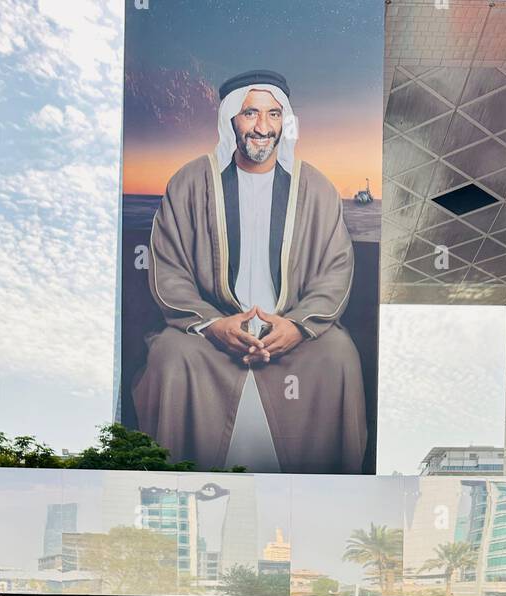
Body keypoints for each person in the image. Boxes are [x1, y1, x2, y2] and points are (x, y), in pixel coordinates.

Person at [133, 70, 366, 473]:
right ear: (231, 121)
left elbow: (336, 269)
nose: (262, 127)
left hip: (291, 334)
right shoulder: (190, 182)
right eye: (250, 114)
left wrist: (296, 327)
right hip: (212, 339)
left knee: (339, 354)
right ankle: (175, 498)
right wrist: (214, 326)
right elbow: (168, 269)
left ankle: (322, 499)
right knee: (170, 357)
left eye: (273, 115)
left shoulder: (316, 188)